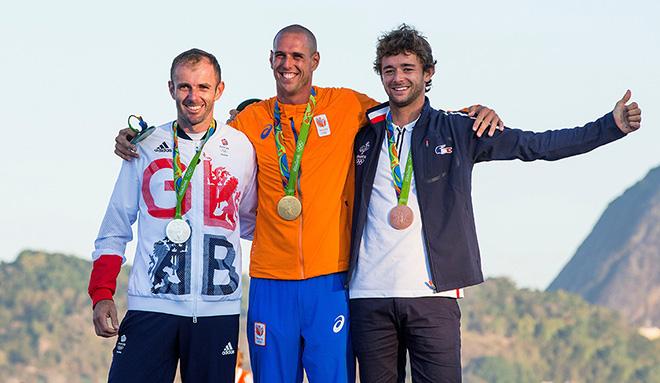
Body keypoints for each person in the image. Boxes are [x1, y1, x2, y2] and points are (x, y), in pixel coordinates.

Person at [113, 25, 502, 383]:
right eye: (280, 56)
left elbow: (409, 109)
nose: (288, 64)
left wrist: (467, 115)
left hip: (330, 280)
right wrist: (137, 137)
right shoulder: (249, 121)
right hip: (270, 282)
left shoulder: (349, 107)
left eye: (298, 56)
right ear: (270, 61)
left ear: (314, 61)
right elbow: (197, 138)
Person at [348, 24, 642, 383]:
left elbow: (535, 146)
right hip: (367, 294)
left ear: (428, 73)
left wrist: (609, 126)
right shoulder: (361, 130)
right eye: (389, 69)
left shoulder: (459, 130)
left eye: (408, 69)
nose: (398, 78)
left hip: (433, 294)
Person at [89, 48, 257, 383]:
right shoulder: (145, 144)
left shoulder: (241, 147)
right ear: (171, 88)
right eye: (184, 87)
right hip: (152, 305)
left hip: (216, 310)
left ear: (219, 90)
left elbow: (251, 222)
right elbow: (116, 225)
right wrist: (102, 292)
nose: (193, 97)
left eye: (203, 87)